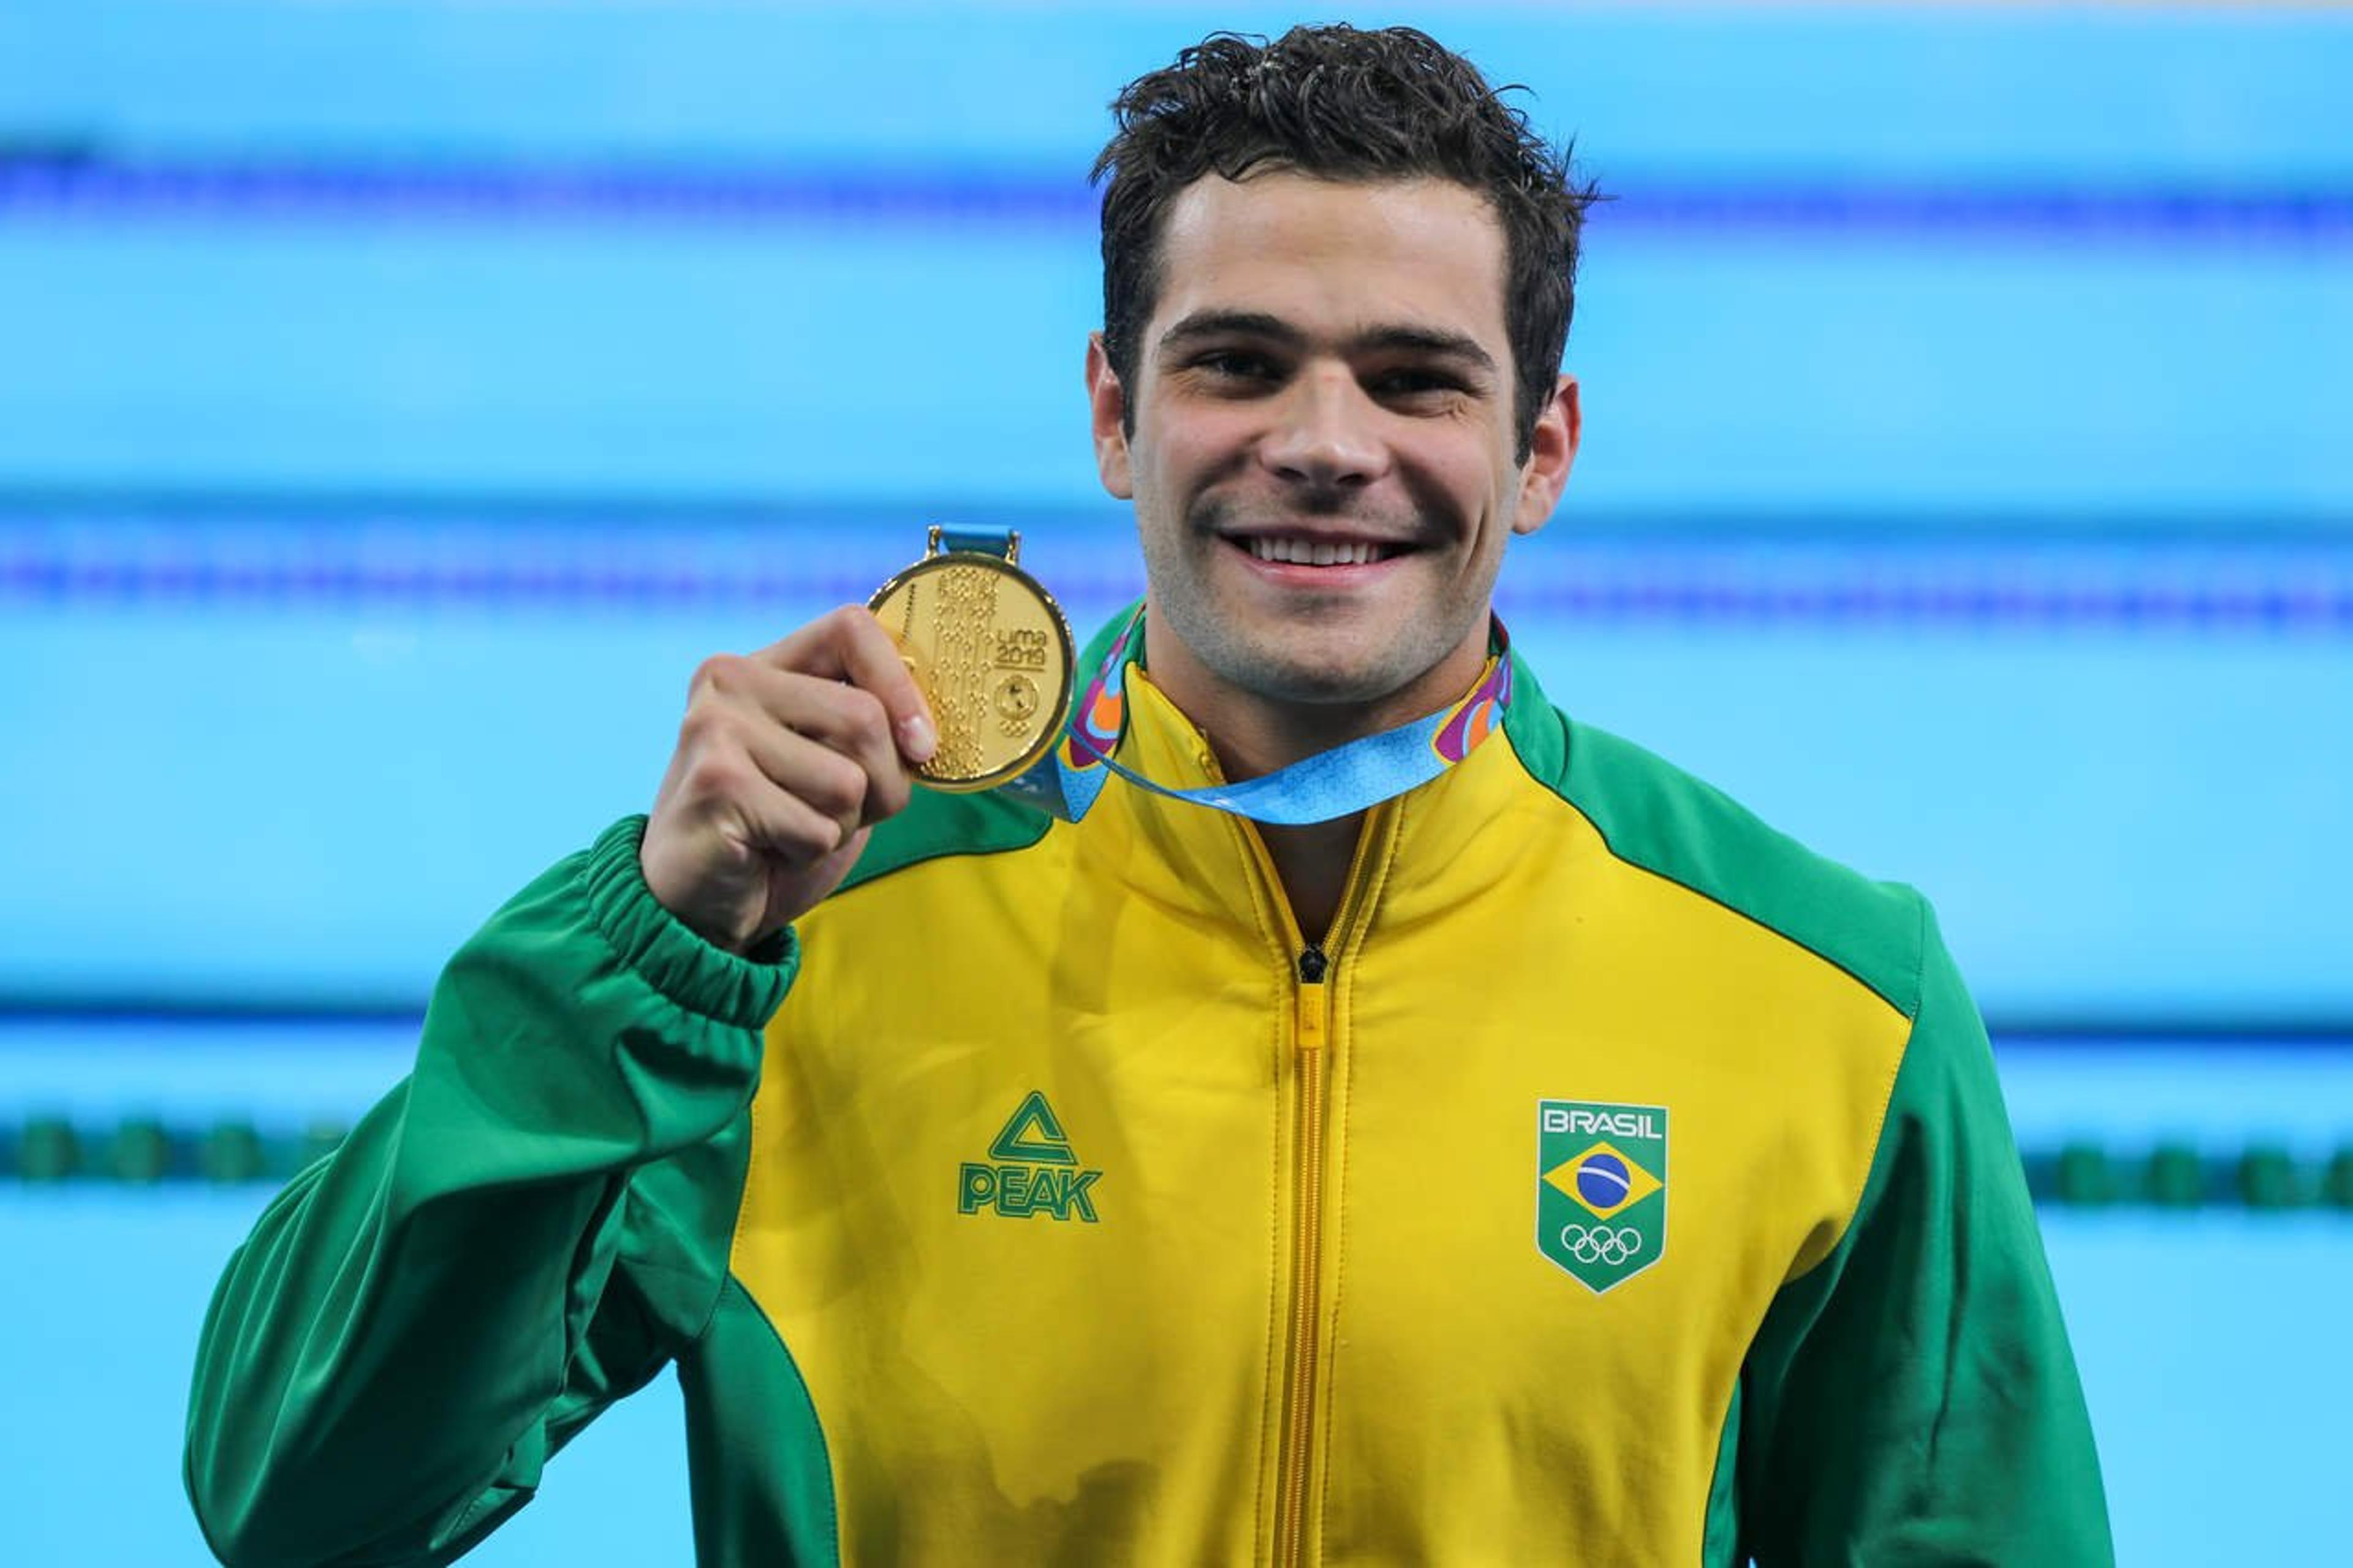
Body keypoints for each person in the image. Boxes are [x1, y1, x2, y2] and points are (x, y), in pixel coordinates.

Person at [185, 25, 2111, 1567]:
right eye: (1241, 364)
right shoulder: (790, 933)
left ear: (1542, 448)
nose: (1324, 444)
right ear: (1115, 413)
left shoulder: (1831, 1000)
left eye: (1418, 379)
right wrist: (650, 942)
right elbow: (302, 1502)